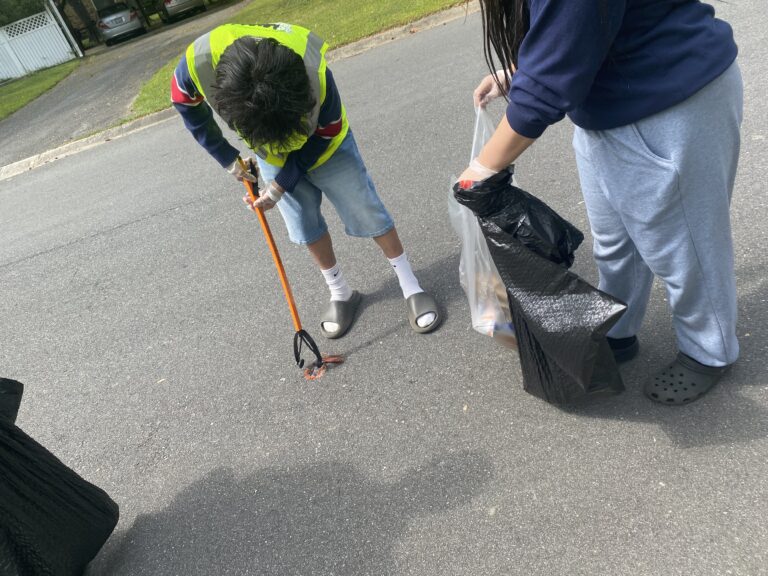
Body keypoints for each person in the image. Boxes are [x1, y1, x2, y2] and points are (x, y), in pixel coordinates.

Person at [462, 0, 742, 404]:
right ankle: (620, 330)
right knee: (616, 243)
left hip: (667, 102)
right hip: (609, 106)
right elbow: (572, 32)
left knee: (687, 248)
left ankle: (709, 350)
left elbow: (550, 80)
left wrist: (480, 171)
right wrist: (525, 73)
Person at [171, 23, 440, 338]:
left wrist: (279, 185)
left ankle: (410, 285)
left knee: (366, 210)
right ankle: (340, 292)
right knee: (303, 224)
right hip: (270, 155)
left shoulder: (312, 67)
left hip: (328, 147)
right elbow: (184, 103)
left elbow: (325, 130)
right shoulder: (197, 62)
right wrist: (229, 158)